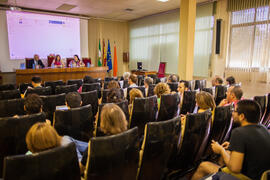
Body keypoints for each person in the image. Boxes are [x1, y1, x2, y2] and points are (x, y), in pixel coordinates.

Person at [191, 100, 270, 180]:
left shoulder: (239, 132)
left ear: (242, 116)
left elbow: (235, 168)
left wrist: (221, 150)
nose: (232, 113)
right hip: (262, 175)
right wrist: (235, 146)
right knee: (228, 152)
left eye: (235, 111)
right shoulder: (263, 128)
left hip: (247, 177)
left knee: (203, 166)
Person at [80, 104, 128, 172]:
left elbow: (81, 169)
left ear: (103, 121)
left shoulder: (95, 145)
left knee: (67, 140)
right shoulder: (129, 138)